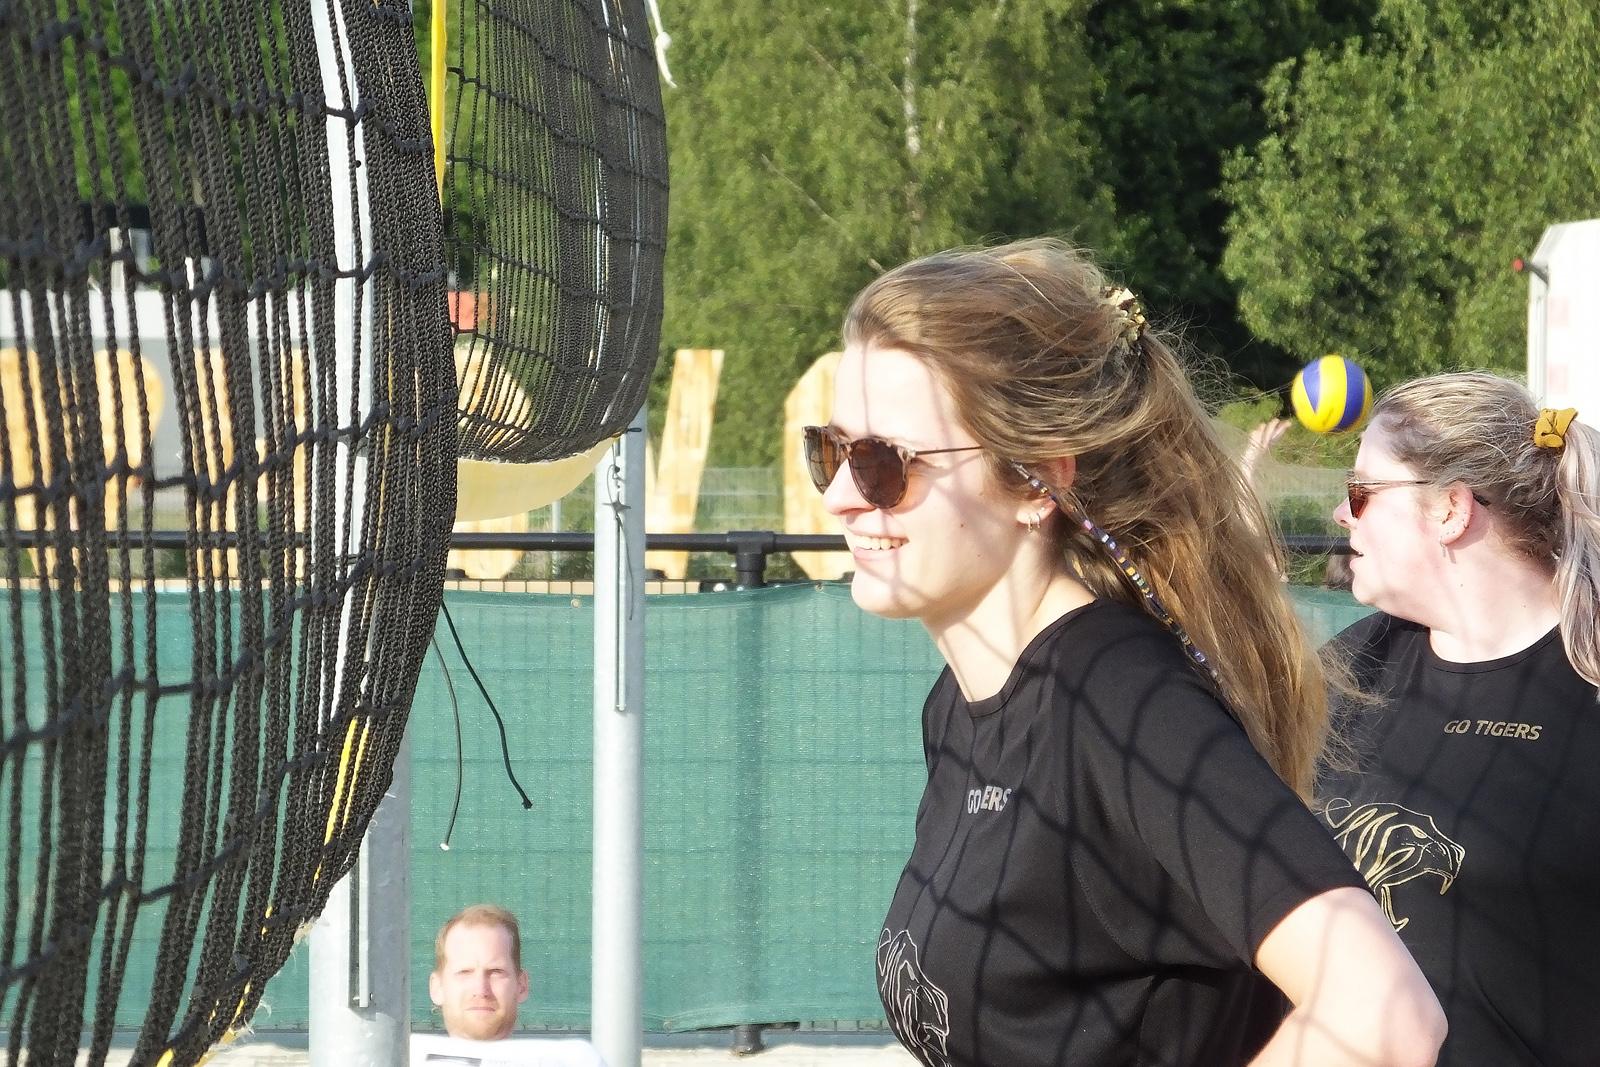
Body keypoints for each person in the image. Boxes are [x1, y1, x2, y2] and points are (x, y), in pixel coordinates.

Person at [803, 238, 1444, 1066]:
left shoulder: (1121, 705)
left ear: (1035, 481)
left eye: (883, 464)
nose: (841, 497)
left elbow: (1385, 1013)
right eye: (831, 450)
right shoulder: (964, 700)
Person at [1321, 372, 1600, 1065]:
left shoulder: (1584, 688)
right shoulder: (1351, 668)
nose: (1341, 514)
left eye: (1362, 491)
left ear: (1451, 509)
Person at [418, 905, 606, 1067]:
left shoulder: (574, 1061)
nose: (481, 990)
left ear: (521, 985)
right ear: (437, 988)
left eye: (496, 972)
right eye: (464, 972)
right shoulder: (406, 1058)